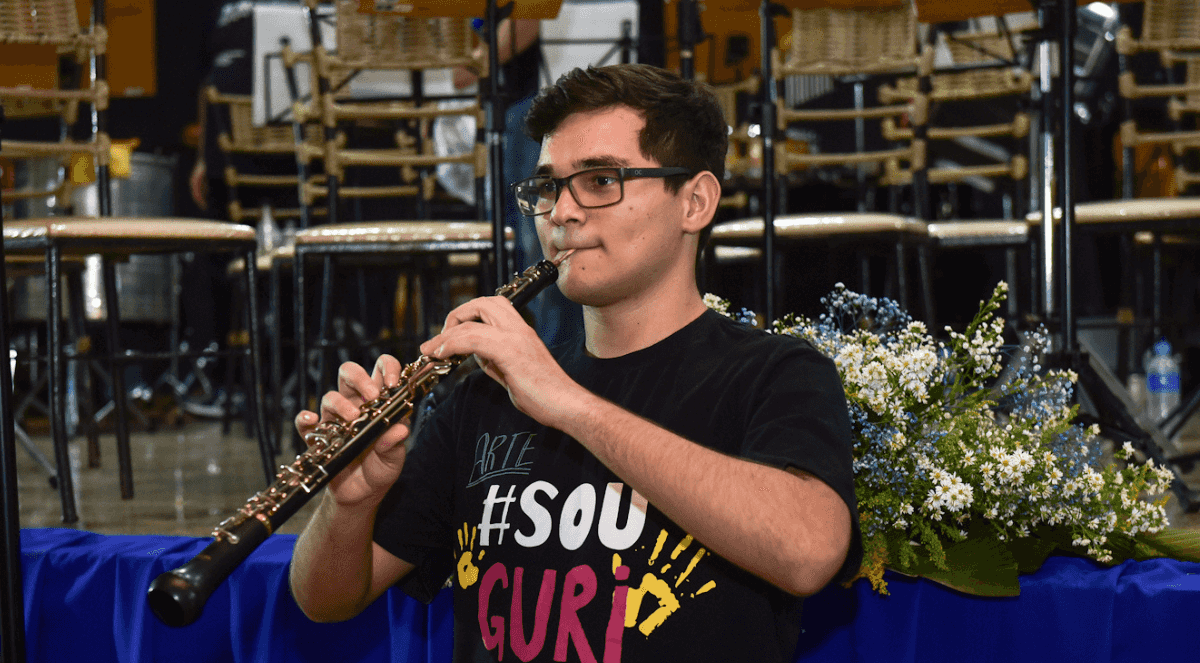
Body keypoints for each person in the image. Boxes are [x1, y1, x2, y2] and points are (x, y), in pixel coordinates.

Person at [289, 63, 862, 662]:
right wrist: (348, 505)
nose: (560, 213)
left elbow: (808, 549)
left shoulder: (777, 372)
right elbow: (324, 599)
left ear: (694, 201)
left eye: (601, 180)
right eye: (546, 187)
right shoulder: (485, 396)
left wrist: (571, 406)